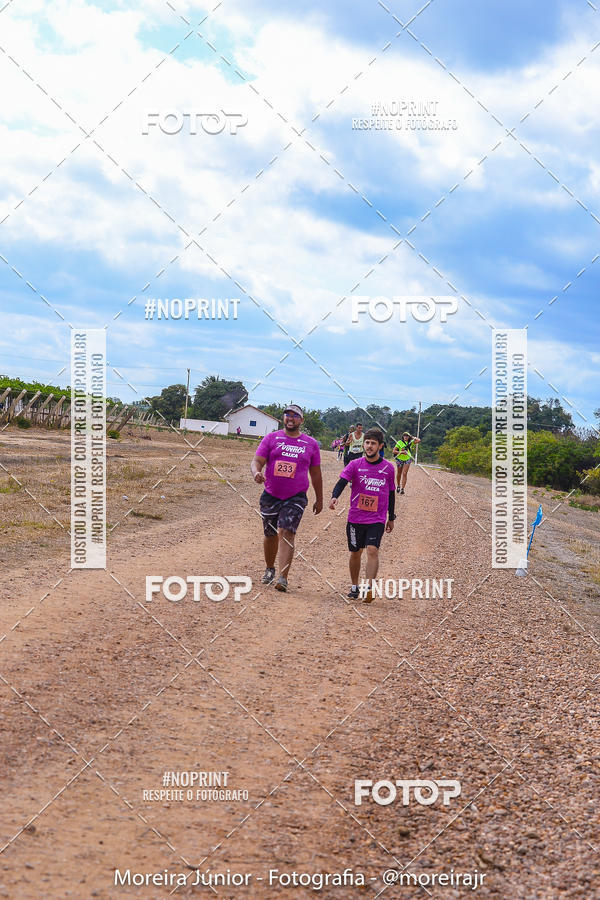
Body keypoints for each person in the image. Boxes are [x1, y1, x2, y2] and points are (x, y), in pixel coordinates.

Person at [251, 404, 323, 592]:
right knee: (270, 534)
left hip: (296, 496)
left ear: (301, 420)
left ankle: (283, 577)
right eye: (287, 415)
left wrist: (319, 498)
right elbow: (257, 461)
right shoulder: (271, 438)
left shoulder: (311, 444)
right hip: (271, 494)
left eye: (295, 415)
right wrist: (256, 472)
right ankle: (269, 568)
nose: (290, 418)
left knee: (287, 531)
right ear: (284, 418)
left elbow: (315, 474)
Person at [329, 428, 396, 603]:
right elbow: (342, 482)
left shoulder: (388, 468)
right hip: (355, 518)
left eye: (373, 443)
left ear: (380, 446)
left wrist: (392, 517)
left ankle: (369, 587)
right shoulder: (355, 464)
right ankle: (354, 586)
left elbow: (391, 494)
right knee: (356, 552)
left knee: (373, 550)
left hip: (377, 518)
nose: (369, 446)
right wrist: (334, 496)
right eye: (367, 442)